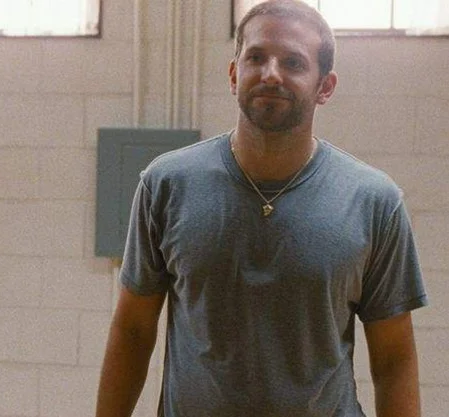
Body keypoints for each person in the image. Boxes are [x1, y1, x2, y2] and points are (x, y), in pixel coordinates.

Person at [95, 1, 427, 416]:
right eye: (256, 57)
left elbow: (394, 359)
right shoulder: (166, 184)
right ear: (234, 75)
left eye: (293, 62)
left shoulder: (375, 202)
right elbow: (132, 330)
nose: (271, 73)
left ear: (325, 86)